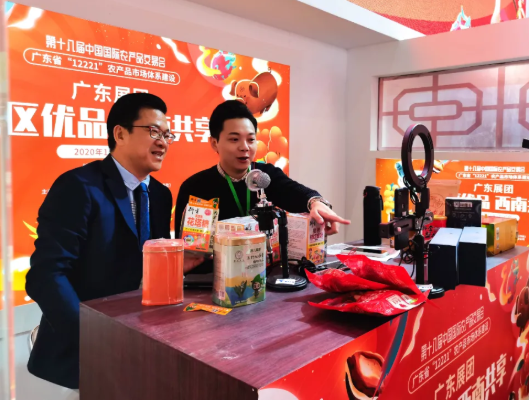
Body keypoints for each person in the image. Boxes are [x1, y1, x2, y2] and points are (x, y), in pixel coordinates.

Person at [26, 93, 177, 390]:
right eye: (154, 132)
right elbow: (47, 275)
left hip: (142, 343)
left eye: (167, 135)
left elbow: (148, 264)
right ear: (120, 134)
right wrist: (95, 339)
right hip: (83, 354)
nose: (163, 142)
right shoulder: (79, 186)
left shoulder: (160, 195)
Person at [175, 100, 350, 258]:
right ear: (214, 143)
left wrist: (316, 202)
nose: (245, 147)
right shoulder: (195, 187)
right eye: (234, 139)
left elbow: (292, 191)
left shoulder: (264, 175)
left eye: (251, 139)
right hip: (215, 276)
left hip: (265, 271)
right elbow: (186, 251)